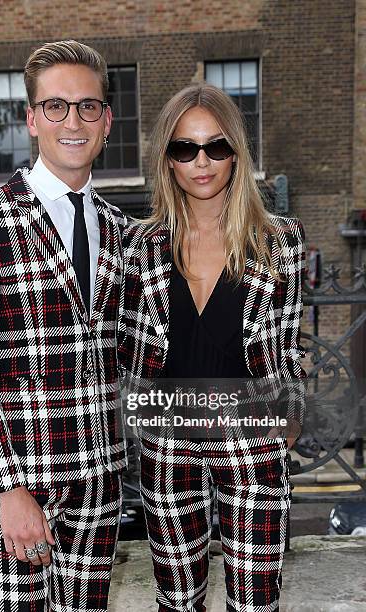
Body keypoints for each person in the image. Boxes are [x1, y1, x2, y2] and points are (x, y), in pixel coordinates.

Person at [0, 40, 127, 611]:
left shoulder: (123, 229)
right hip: (26, 483)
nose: (72, 121)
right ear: (31, 119)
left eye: (87, 106)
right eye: (55, 106)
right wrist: (4, 489)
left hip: (102, 481)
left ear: (106, 120)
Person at [118, 83, 306, 612]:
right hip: (168, 440)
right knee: (178, 602)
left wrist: (288, 417)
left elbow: (287, 344)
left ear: (236, 154)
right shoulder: (140, 245)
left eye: (216, 147)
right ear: (168, 161)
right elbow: (126, 344)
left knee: (255, 602)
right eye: (185, 148)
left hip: (251, 438)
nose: (202, 162)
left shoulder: (280, 242)